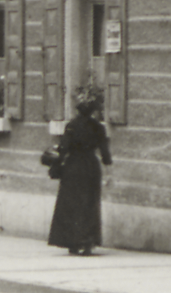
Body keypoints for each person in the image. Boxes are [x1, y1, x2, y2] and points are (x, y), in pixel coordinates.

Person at [47, 93, 113, 255]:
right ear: (93, 111)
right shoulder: (98, 127)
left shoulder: (71, 126)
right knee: (90, 204)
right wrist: (108, 172)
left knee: (72, 205)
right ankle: (88, 242)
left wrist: (55, 163)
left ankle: (73, 242)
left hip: (73, 167)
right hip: (91, 167)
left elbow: (63, 149)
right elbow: (105, 154)